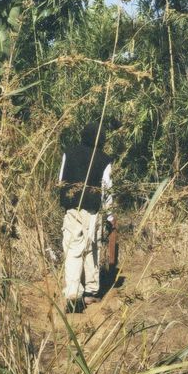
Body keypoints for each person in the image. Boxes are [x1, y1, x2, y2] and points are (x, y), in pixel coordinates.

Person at [58, 122, 114, 313]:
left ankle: (73, 292)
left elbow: (61, 181)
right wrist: (109, 216)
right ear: (101, 139)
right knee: (92, 248)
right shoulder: (104, 159)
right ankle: (91, 290)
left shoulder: (69, 153)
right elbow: (107, 189)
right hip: (92, 211)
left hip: (72, 209)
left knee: (73, 249)